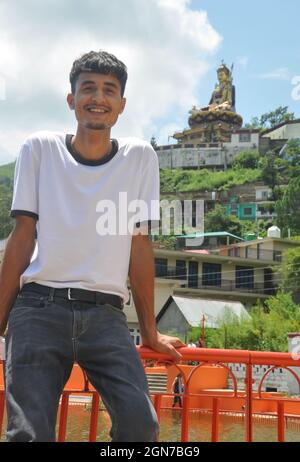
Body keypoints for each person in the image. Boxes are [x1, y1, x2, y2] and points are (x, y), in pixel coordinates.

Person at [0, 50, 186, 442]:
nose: (97, 98)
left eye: (108, 90)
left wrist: (150, 332)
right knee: (28, 433)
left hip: (106, 315)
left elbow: (139, 245)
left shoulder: (139, 158)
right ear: (71, 100)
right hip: (38, 309)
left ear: (121, 105)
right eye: (88, 88)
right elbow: (22, 236)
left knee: (141, 426)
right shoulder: (40, 149)